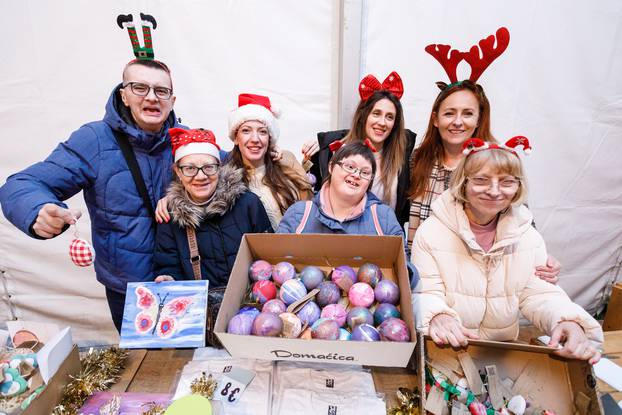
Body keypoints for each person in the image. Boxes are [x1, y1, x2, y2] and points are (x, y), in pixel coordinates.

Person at [0, 58, 180, 332]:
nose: (152, 97)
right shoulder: (95, 140)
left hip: (182, 281)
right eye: (140, 88)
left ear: (172, 99)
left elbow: (234, 171)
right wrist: (38, 208)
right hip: (128, 288)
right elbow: (22, 183)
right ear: (124, 95)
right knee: (146, 365)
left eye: (161, 91)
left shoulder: (188, 141)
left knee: (193, 362)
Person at [411, 138, 603, 363]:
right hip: (444, 351)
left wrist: (567, 321)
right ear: (464, 182)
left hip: (501, 355)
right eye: (481, 180)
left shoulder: (527, 237)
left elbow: (539, 294)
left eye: (506, 182)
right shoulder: (431, 233)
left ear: (518, 186)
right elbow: (425, 293)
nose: (494, 191)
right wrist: (437, 315)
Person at [408, 29, 560, 283]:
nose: (458, 122)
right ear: (435, 119)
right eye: (449, 113)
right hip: (425, 277)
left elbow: (520, 222)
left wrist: (543, 259)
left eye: (467, 113)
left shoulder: (496, 160)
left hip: (476, 282)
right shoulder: (417, 161)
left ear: (479, 119)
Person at [153, 127, 272, 284]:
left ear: (219, 167)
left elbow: (267, 255)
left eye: (209, 167)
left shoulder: (248, 204)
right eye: (190, 169)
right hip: (200, 304)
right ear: (178, 172)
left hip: (249, 301)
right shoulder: (169, 216)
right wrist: (169, 278)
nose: (201, 176)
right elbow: (168, 264)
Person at [302, 72, 416, 227]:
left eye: (389, 117)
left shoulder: (404, 158)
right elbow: (307, 192)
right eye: (376, 114)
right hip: (337, 237)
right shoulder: (333, 151)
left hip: (384, 241)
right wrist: (313, 153)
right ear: (364, 116)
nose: (382, 122)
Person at [226, 93, 312, 230]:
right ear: (236, 138)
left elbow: (310, 212)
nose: (255, 139)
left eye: (262, 132)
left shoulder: (287, 166)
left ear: (270, 138)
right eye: (246, 131)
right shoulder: (226, 181)